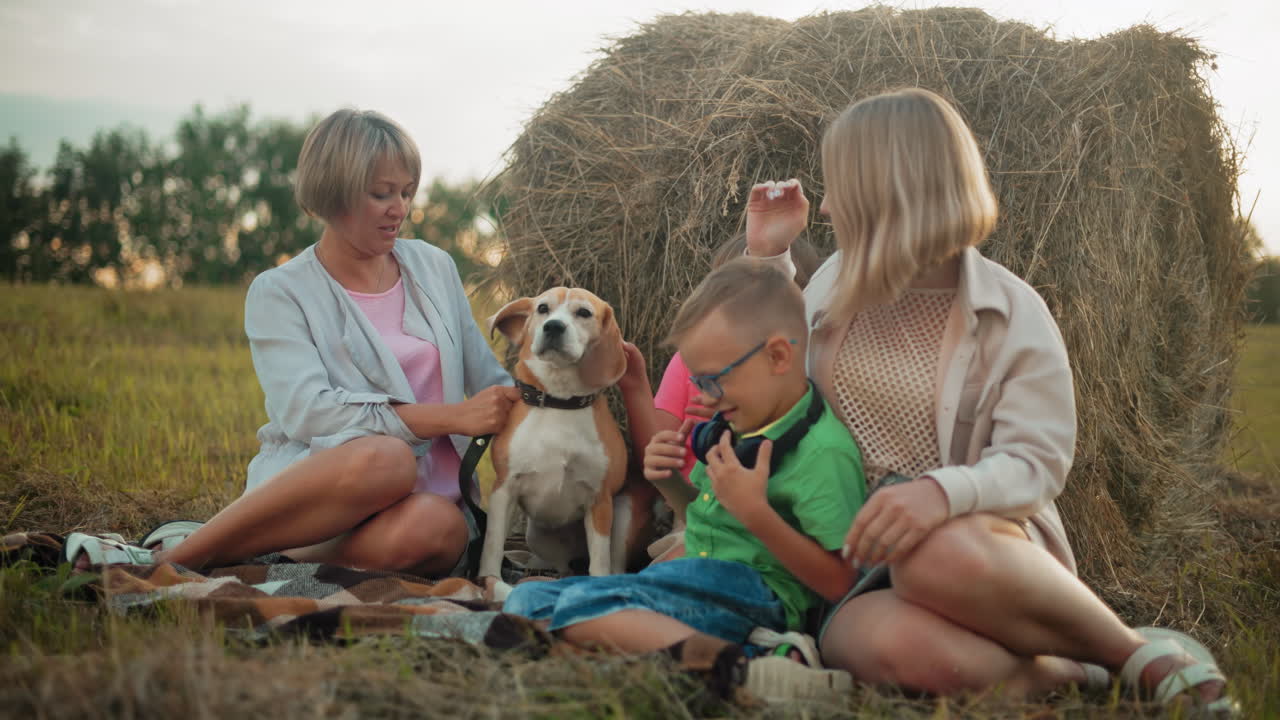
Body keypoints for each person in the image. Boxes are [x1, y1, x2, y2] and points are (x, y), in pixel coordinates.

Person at [743, 88, 1231, 710]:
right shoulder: (836, 282)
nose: (829, 205)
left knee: (930, 556)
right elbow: (764, 364)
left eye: (841, 186)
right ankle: (1088, 671)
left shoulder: (1009, 310)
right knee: (866, 644)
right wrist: (767, 256)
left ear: (886, 193)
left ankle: (1136, 654)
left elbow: (1038, 459)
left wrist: (941, 494)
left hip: (976, 545)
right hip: (853, 556)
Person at [67, 108, 519, 576]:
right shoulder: (280, 291)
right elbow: (311, 412)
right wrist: (451, 417)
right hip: (325, 498)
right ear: (334, 193)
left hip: (417, 510)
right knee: (388, 459)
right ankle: (174, 558)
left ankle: (246, 558)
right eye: (381, 194)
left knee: (440, 529)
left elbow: (486, 376)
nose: (399, 208)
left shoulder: (434, 267)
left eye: (406, 192)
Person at [504, 257, 866, 663]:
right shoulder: (738, 424)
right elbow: (703, 519)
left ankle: (746, 659)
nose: (705, 399)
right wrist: (669, 481)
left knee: (563, 609)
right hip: (693, 580)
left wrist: (756, 513)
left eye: (713, 380)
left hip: (749, 592)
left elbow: (840, 583)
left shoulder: (820, 453)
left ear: (778, 357)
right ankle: (734, 655)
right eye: (697, 382)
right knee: (528, 597)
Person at [616, 233, 822, 563]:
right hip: (698, 517)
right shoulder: (690, 362)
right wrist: (635, 387)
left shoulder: (812, 398)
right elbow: (691, 501)